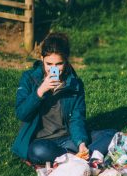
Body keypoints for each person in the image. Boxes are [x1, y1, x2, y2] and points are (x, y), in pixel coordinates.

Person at [12, 33, 89, 164]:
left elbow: (77, 118)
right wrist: (40, 91)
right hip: (41, 141)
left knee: (108, 135)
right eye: (49, 64)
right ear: (42, 59)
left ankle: (69, 154)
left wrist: (81, 143)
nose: (54, 69)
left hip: (66, 138)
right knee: (38, 151)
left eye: (59, 64)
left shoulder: (74, 84)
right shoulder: (29, 78)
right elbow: (21, 113)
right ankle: (72, 156)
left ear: (66, 61)